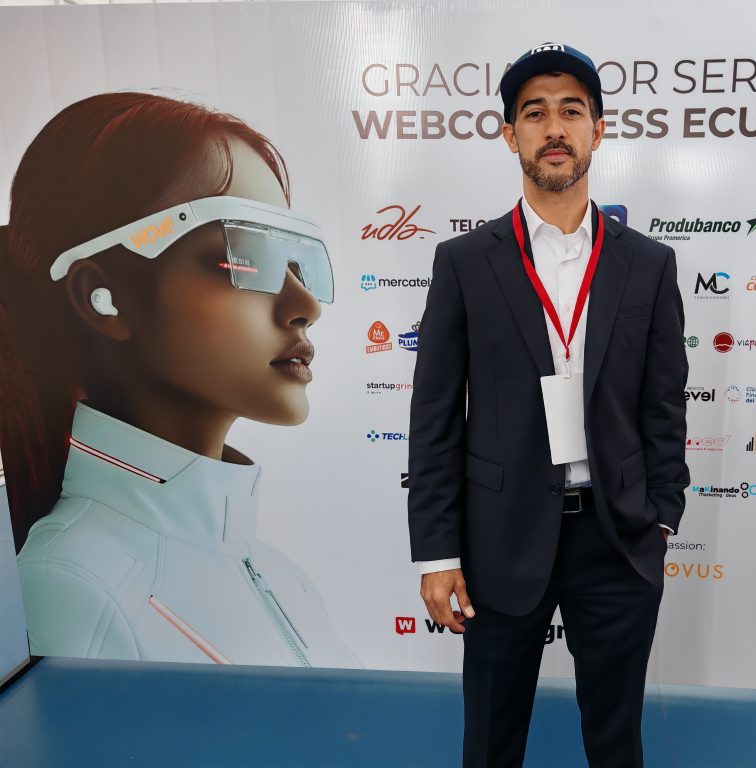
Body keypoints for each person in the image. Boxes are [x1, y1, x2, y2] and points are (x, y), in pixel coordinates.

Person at [0, 92, 355, 667]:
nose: (305, 305)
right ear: (103, 296)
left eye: (298, 262)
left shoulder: (286, 578)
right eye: (249, 256)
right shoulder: (71, 589)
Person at [408, 43, 689, 767]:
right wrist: (437, 551)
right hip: (498, 536)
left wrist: (661, 517)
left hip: (617, 537)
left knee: (617, 742)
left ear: (599, 129)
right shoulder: (464, 262)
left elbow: (664, 404)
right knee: (491, 740)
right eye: (534, 113)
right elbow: (435, 416)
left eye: (572, 110)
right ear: (510, 135)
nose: (554, 128)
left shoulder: (649, 264)